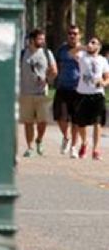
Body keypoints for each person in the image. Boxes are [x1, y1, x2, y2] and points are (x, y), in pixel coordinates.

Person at [18, 28, 57, 157]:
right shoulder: (23, 54)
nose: (42, 41)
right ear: (32, 40)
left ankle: (39, 140)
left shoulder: (47, 53)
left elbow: (54, 71)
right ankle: (30, 148)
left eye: (43, 39)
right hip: (26, 92)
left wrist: (47, 79)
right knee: (28, 122)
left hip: (42, 93)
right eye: (40, 39)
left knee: (43, 121)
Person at [72, 36, 109, 160]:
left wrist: (103, 83)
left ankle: (96, 149)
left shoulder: (103, 60)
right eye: (89, 42)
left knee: (97, 123)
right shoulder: (82, 56)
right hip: (82, 94)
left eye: (94, 43)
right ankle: (84, 143)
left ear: (99, 46)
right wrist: (83, 46)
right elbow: (71, 52)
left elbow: (107, 77)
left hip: (97, 94)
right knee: (81, 124)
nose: (90, 44)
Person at [53, 24, 82, 155]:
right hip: (62, 87)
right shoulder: (62, 50)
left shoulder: (84, 51)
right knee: (60, 117)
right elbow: (57, 65)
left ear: (79, 35)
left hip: (78, 89)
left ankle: (74, 147)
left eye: (75, 33)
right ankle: (66, 137)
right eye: (70, 33)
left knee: (76, 120)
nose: (72, 36)